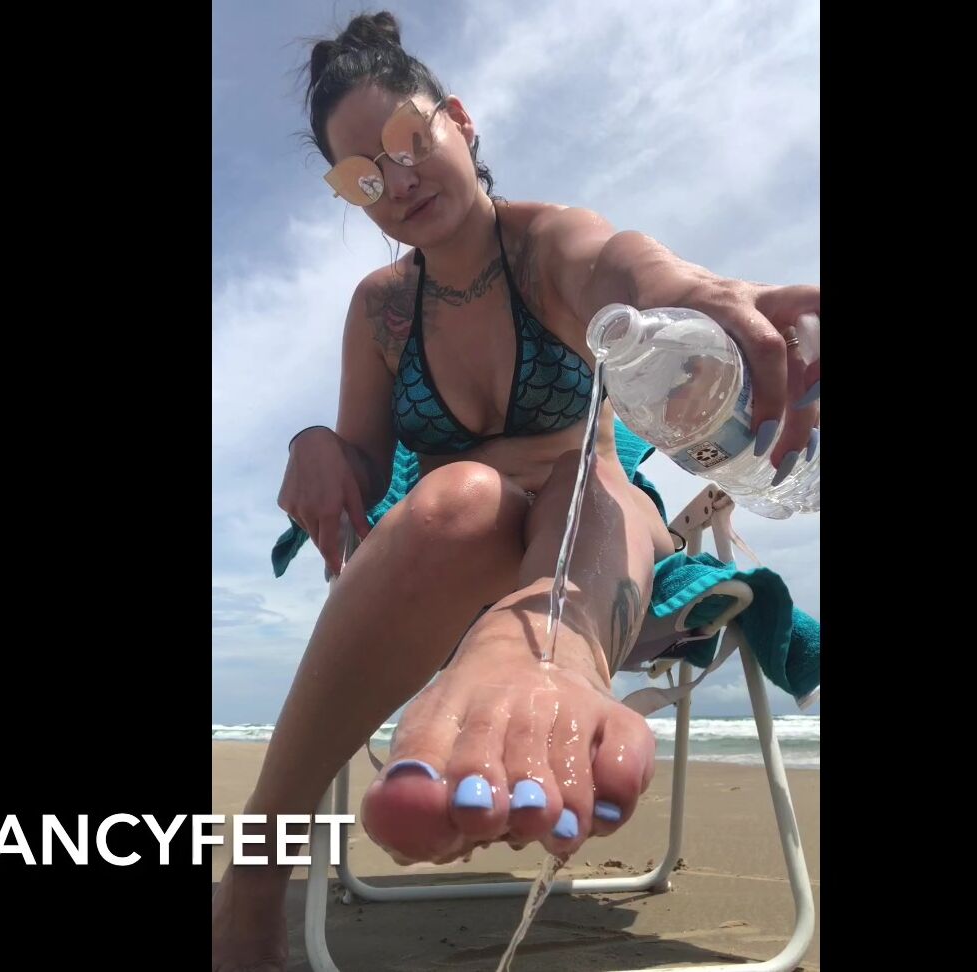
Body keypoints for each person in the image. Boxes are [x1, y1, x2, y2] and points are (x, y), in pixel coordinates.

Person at [213, 11, 820, 970]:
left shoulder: (543, 245)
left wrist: (695, 295)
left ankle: (542, 658)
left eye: (409, 140)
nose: (395, 180)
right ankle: (255, 868)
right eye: (360, 176)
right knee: (459, 496)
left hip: (596, 530)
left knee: (583, 474)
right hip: (457, 546)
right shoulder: (382, 311)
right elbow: (366, 465)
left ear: (458, 120)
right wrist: (315, 444)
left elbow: (618, 266)